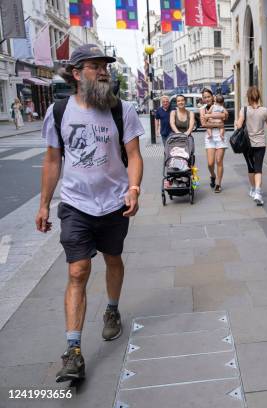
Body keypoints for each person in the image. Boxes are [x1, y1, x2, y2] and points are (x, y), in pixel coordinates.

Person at [34, 44, 144, 382]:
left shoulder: (121, 110)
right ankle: (74, 351)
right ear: (77, 73)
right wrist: (44, 203)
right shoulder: (59, 112)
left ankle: (111, 310)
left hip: (113, 202)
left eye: (105, 66)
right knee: (78, 270)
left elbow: (135, 155)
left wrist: (134, 188)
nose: (103, 71)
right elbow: (53, 161)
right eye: (95, 66)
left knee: (113, 258)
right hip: (75, 204)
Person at [234, 86, 267, 205]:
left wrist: (237, 122)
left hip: (247, 144)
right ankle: (258, 191)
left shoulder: (244, 110)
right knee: (258, 168)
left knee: (250, 167)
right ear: (258, 97)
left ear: (248, 97)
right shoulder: (264, 110)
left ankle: (253, 189)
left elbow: (238, 125)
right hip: (260, 143)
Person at [199, 88, 228, 193]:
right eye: (204, 97)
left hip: (221, 136)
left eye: (208, 96)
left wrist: (208, 117)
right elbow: (203, 124)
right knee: (210, 163)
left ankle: (218, 184)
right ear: (203, 99)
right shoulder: (202, 109)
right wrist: (218, 122)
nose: (207, 99)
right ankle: (213, 175)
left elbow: (225, 116)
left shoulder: (219, 106)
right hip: (209, 137)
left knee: (219, 160)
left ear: (213, 97)